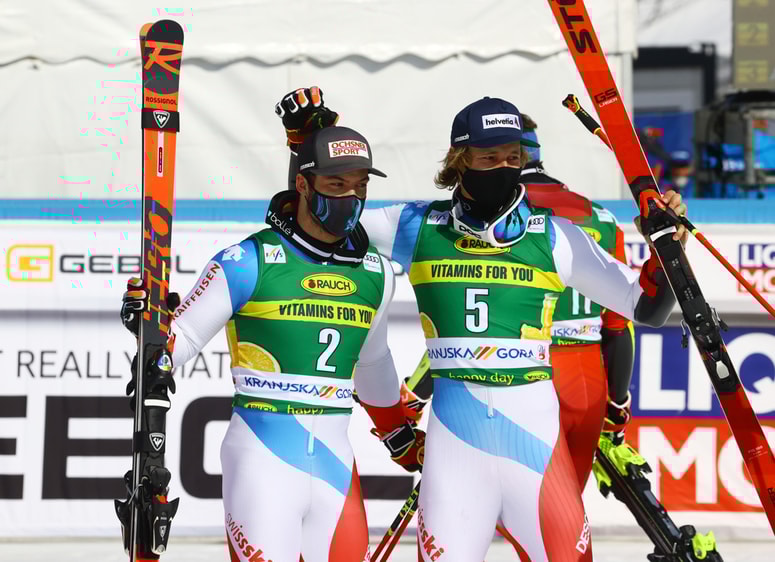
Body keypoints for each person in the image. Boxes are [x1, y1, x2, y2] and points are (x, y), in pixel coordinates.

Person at [277, 90, 687, 561]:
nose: (503, 167)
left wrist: (667, 248)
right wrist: (306, 147)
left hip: (536, 453)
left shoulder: (555, 237)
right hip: (456, 456)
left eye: (512, 157)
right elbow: (313, 226)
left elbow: (647, 309)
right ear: (460, 160)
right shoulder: (417, 225)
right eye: (488, 157)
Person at [120, 125, 424, 562]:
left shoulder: (375, 273)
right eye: (336, 184)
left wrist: (400, 437)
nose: (350, 197)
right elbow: (180, 339)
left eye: (360, 186)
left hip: (335, 464)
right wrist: (149, 326)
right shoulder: (249, 260)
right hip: (262, 460)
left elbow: (373, 364)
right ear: (302, 184)